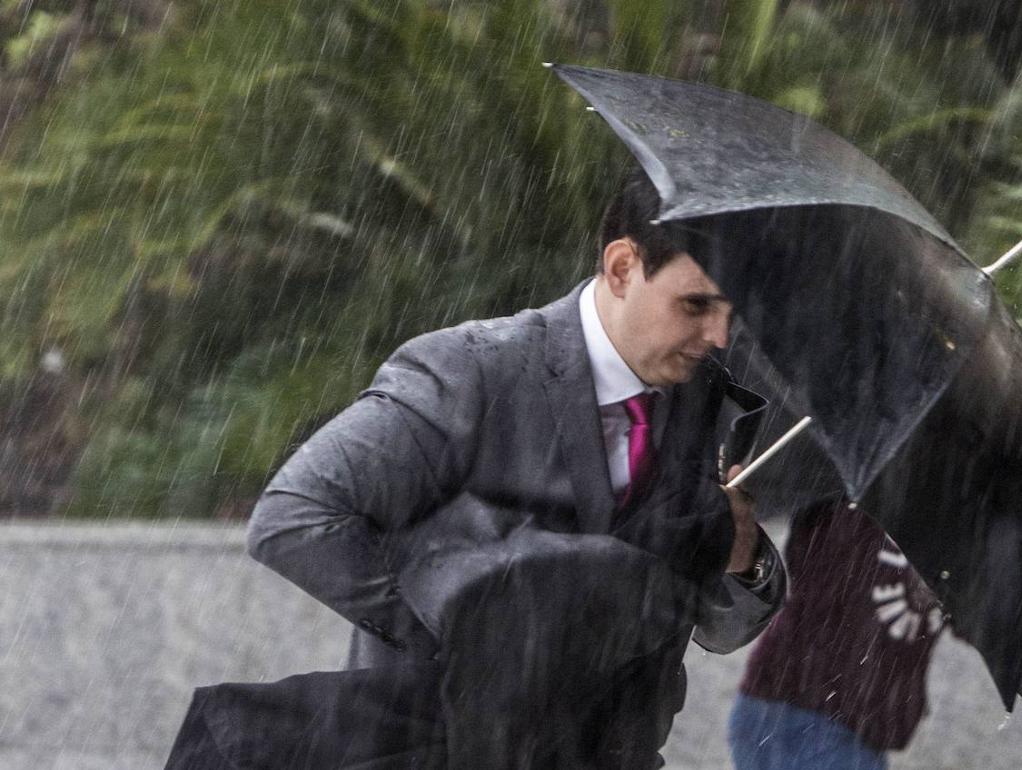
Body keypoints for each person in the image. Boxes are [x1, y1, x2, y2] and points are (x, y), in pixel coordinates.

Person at [244, 169, 786, 768]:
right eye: (697, 304)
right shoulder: (471, 372)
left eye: (732, 311)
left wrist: (744, 559)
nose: (717, 334)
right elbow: (293, 515)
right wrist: (467, 634)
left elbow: (717, 627)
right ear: (623, 267)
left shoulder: (710, 402)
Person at [729, 498, 944, 770]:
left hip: (847, 724)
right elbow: (797, 561)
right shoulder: (849, 501)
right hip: (794, 706)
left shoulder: (956, 528)